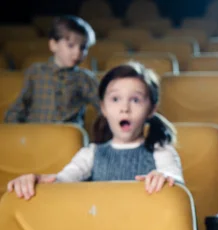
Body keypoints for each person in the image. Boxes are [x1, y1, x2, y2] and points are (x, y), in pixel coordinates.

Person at [7, 62, 183, 200]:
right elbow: (64, 180)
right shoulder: (91, 153)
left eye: (135, 100)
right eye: (115, 99)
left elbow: (175, 180)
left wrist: (165, 177)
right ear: (103, 108)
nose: (124, 108)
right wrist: (37, 181)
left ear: (151, 109)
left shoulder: (161, 150)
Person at [4, 15, 100, 125]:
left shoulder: (84, 78)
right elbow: (19, 107)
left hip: (68, 139)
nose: (77, 53)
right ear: (53, 45)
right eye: (70, 45)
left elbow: (104, 107)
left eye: (83, 47)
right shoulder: (36, 72)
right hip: (37, 136)